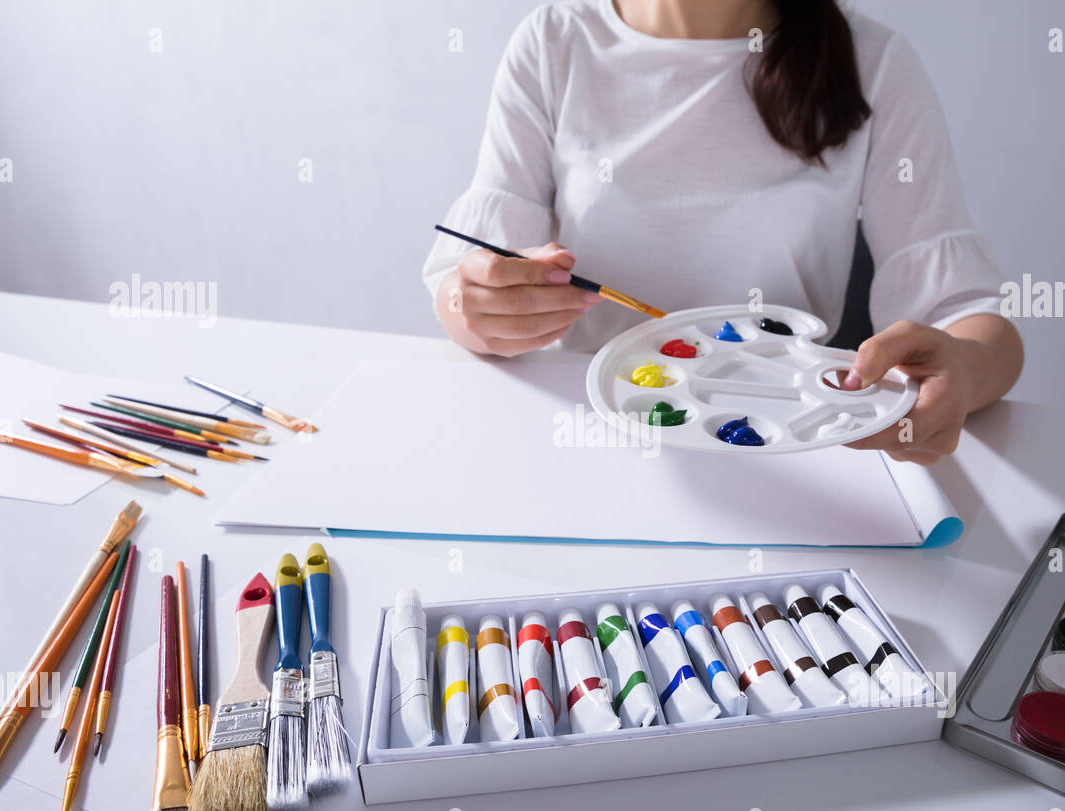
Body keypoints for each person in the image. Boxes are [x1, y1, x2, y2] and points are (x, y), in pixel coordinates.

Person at [423, 0, 1023, 464]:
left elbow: (971, 316)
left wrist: (963, 371)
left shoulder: (875, 60)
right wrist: (475, 307)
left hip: (793, 448)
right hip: (589, 441)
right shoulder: (553, 42)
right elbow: (464, 286)